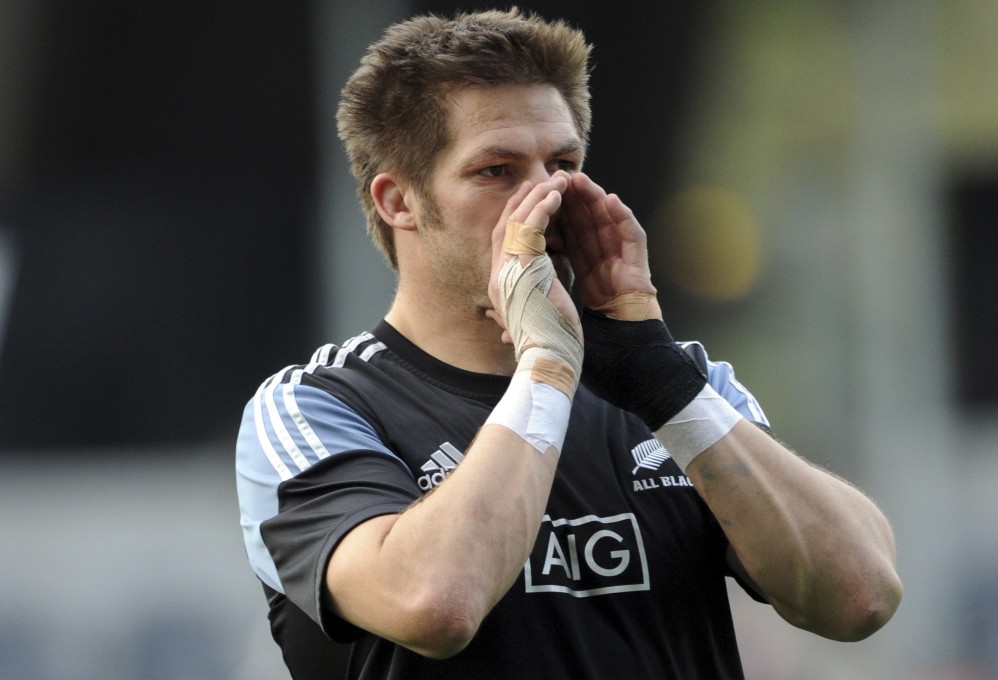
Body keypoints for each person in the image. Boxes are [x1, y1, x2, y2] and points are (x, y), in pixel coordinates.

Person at [235, 8, 902, 679]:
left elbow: (861, 598)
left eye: (562, 163)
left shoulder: (668, 386)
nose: (545, 196)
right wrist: (547, 366)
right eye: (497, 170)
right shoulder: (316, 410)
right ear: (399, 201)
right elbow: (436, 603)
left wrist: (659, 380)